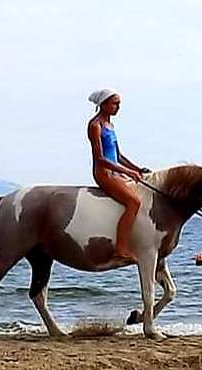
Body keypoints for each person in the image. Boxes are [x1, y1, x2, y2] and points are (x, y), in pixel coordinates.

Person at [87, 88, 150, 260]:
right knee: (134, 202)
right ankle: (120, 248)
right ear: (104, 104)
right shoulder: (95, 126)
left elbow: (119, 156)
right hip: (104, 173)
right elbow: (100, 158)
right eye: (115, 103)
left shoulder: (110, 126)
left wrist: (137, 169)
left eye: (119, 103)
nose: (118, 107)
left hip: (116, 172)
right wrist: (128, 172)